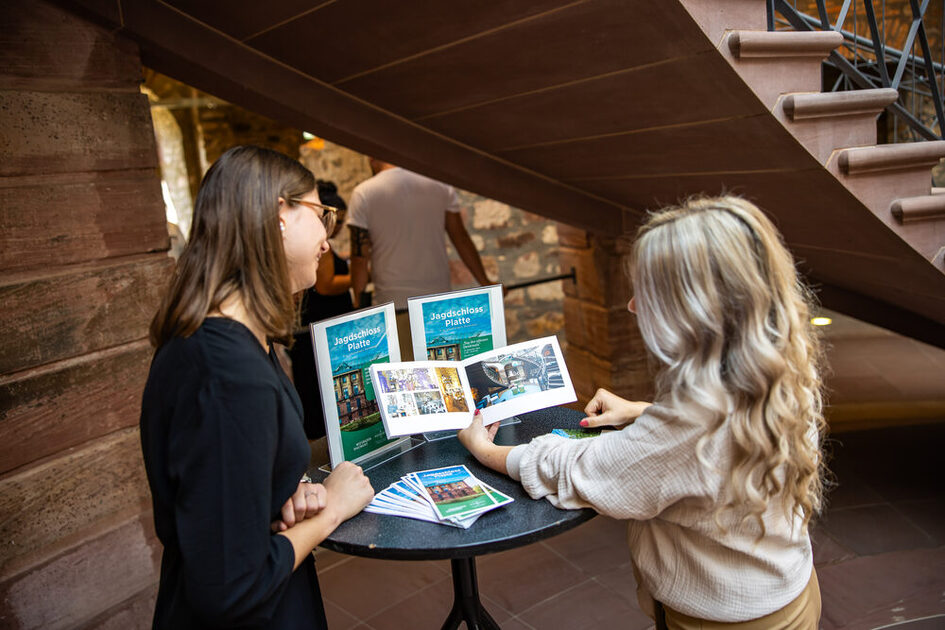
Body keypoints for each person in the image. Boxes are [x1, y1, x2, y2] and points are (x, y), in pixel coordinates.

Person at [459, 196, 826, 628]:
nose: (632, 306)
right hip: (792, 595)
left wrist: (483, 448)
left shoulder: (687, 430)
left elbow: (576, 467)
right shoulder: (773, 364)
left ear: (693, 312)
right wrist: (643, 413)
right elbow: (719, 440)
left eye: (649, 295)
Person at [140, 146, 374, 629]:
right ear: (278, 215)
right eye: (321, 215)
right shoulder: (226, 375)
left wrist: (285, 491)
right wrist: (333, 509)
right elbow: (229, 587)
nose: (327, 241)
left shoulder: (237, 340)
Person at [347, 158, 492, 359]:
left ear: (372, 159)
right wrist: (485, 281)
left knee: (409, 380)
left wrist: (359, 307)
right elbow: (461, 238)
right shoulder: (439, 184)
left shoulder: (364, 193)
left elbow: (359, 257)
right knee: (447, 373)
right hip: (439, 302)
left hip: (393, 304)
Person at [289, 179, 354, 439]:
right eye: (331, 221)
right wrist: (364, 277)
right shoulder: (322, 249)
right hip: (316, 333)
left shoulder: (325, 247)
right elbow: (326, 285)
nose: (333, 232)